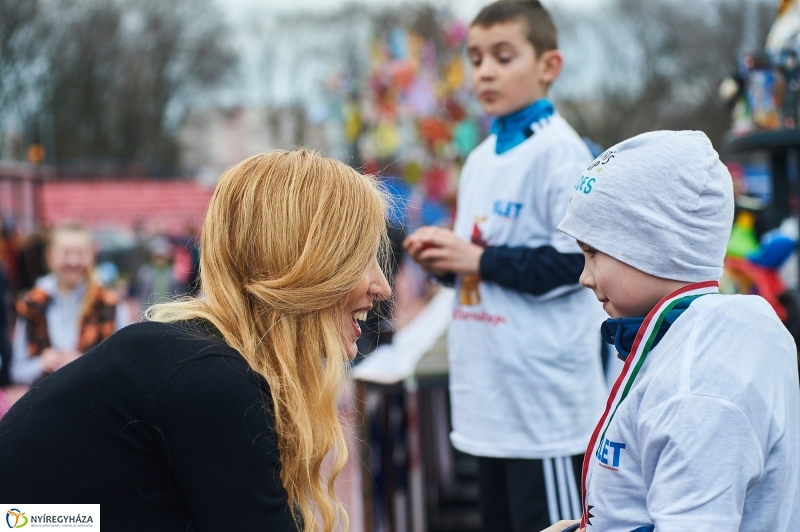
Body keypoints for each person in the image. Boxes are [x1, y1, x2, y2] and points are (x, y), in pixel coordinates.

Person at [0, 150, 392, 531]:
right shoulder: (213, 380)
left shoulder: (199, 359)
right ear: (303, 270)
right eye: (361, 259)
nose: (383, 287)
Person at [404, 1, 606, 530]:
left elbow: (576, 265)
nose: (485, 71)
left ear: (548, 66)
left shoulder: (561, 153)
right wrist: (446, 260)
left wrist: (474, 258)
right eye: (475, 58)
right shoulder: (480, 156)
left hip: (544, 408)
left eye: (503, 55)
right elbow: (484, 255)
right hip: (488, 398)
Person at [557, 130, 800, 531]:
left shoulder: (697, 386)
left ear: (653, 245)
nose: (585, 276)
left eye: (593, 251)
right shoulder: (698, 337)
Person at [11, 224, 128, 385]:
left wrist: (83, 364)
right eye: (66, 253)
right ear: (50, 256)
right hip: (45, 408)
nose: (73, 261)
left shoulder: (110, 304)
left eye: (80, 253)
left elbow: (125, 367)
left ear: (91, 256)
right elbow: (17, 371)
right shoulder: (31, 305)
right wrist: (40, 364)